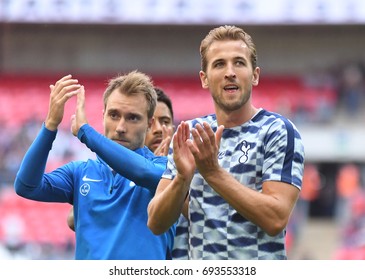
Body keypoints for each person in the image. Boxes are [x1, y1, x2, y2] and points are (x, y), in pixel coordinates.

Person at [147, 25, 305, 260]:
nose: (230, 72)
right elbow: (156, 222)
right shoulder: (190, 133)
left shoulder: (278, 131)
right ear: (204, 79)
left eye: (239, 63)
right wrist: (182, 179)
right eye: (219, 64)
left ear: (255, 75)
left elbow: (276, 218)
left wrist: (212, 172)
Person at [14, 71, 175, 260]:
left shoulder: (166, 166)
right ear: (103, 115)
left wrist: (86, 132)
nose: (121, 127)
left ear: (150, 123)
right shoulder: (80, 172)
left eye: (133, 118)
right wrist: (50, 125)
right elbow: (26, 186)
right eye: (114, 115)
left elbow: (142, 172)